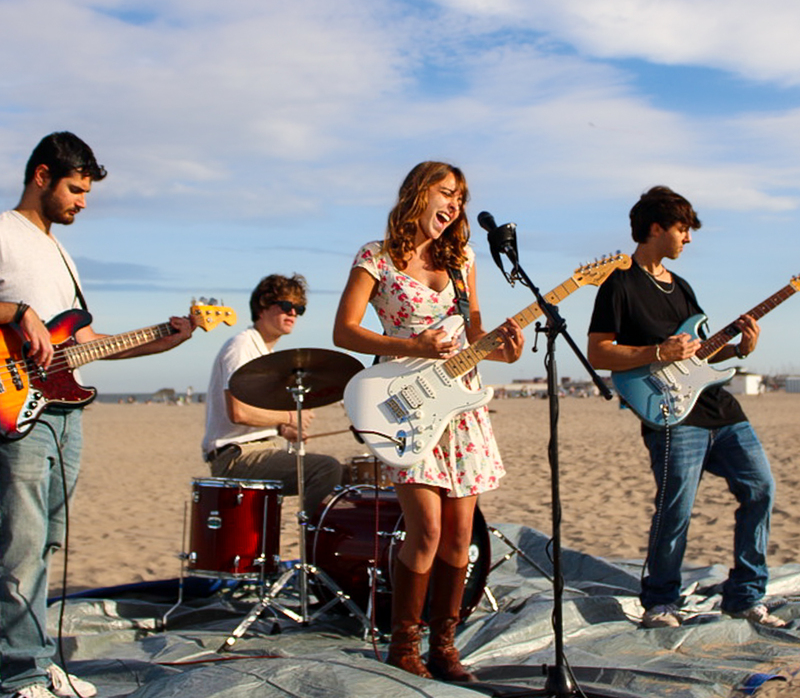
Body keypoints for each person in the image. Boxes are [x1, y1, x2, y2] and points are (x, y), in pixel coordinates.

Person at [0, 132, 195, 698]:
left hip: (64, 411)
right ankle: (19, 675)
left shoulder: (61, 253)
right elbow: (24, 319)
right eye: (75, 189)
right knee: (18, 544)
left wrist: (163, 340)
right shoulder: (4, 232)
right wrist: (18, 312)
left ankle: (35, 659)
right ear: (42, 176)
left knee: (45, 543)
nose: (83, 202)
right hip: (16, 408)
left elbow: (83, 343)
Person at [333, 161, 524, 681]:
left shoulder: (462, 260)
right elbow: (344, 331)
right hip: (404, 403)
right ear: (418, 194)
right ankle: (403, 646)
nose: (455, 205)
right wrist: (412, 345)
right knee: (427, 531)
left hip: (460, 406)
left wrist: (504, 350)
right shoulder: (376, 257)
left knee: (461, 536)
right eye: (446, 192)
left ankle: (445, 646)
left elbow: (475, 332)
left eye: (460, 197)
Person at [587, 186, 785, 629]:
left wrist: (738, 349)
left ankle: (746, 595)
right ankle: (661, 602)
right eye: (683, 230)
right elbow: (599, 353)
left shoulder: (683, 287)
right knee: (676, 508)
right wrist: (659, 352)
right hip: (671, 413)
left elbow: (699, 354)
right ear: (656, 228)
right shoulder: (619, 284)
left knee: (761, 489)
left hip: (720, 409)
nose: (689, 239)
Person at [202, 274, 342, 517]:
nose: (293, 313)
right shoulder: (242, 346)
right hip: (237, 456)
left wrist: (282, 429)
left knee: (347, 475)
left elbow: (254, 415)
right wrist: (290, 417)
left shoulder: (265, 353)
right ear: (262, 306)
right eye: (286, 305)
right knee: (326, 469)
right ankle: (313, 537)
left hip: (259, 449)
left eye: (299, 309)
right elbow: (238, 412)